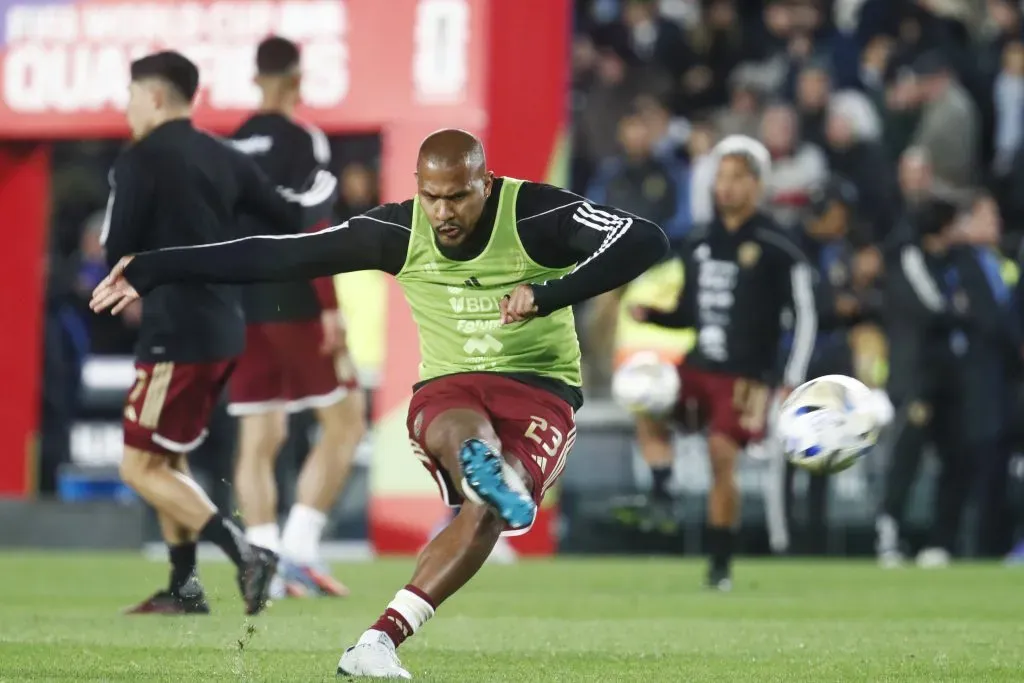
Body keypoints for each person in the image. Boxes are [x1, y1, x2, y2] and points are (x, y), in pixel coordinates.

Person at [90, 128, 668, 677]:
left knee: (489, 510)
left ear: (485, 183)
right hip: (451, 386)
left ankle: (378, 641)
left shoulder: (536, 213)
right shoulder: (397, 231)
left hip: (540, 387)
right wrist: (157, 267)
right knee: (473, 443)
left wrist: (548, 294)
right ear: (418, 186)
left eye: (459, 197)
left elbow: (645, 239)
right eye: (431, 196)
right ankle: (480, 463)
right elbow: (281, 255)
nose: (443, 213)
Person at [102, 51, 337, 615]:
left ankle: (247, 554)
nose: (127, 106)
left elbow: (117, 249)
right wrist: (326, 189)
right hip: (226, 326)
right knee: (169, 457)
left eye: (132, 95)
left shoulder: (138, 160)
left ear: (155, 97)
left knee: (138, 466)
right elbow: (290, 217)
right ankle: (184, 586)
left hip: (173, 332)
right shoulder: (223, 155)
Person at [629, 135, 817, 590]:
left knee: (722, 456)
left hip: (746, 377)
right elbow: (690, 313)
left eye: (736, 177)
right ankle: (662, 488)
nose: (725, 187)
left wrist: (792, 378)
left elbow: (806, 316)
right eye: (721, 177)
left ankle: (719, 563)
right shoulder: (698, 242)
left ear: (757, 184)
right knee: (641, 395)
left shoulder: (778, 245)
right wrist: (654, 315)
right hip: (698, 367)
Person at [228, 36, 365, 598]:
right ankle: (301, 550)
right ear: (296, 79)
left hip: (239, 300)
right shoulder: (304, 138)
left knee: (259, 433)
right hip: (292, 295)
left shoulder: (232, 143)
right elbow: (315, 227)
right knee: (346, 419)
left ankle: (263, 559)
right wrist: (329, 307)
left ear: (256, 77)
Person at [876, 198, 972, 569]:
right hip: (915, 377)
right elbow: (932, 307)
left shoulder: (954, 262)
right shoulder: (909, 258)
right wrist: (959, 311)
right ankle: (888, 538)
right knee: (905, 459)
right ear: (942, 228)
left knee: (955, 459)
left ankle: (940, 542)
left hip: (948, 377)